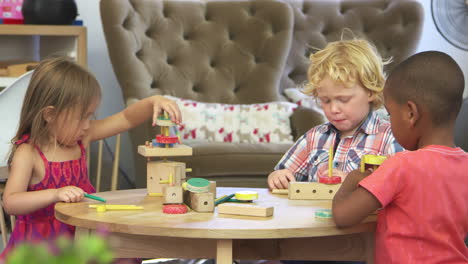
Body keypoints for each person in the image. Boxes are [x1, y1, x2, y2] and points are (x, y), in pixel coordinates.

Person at [0, 57, 181, 259]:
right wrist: (55, 194)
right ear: (50, 114)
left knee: (128, 255)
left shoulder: (81, 139)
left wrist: (152, 102)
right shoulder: (29, 152)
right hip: (42, 247)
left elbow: (126, 118)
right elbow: (11, 202)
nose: (87, 125)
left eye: (90, 116)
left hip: (84, 233)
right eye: (81, 117)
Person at [332, 51, 468, 263]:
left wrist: (350, 182)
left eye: (390, 113)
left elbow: (343, 216)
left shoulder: (401, 165)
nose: (390, 121)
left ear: (411, 114)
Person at [268, 39, 403, 190]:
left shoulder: (390, 139)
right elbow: (283, 172)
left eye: (343, 99)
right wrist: (278, 177)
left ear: (370, 91)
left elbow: (401, 189)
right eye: (325, 101)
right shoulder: (314, 138)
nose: (333, 109)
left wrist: (354, 183)